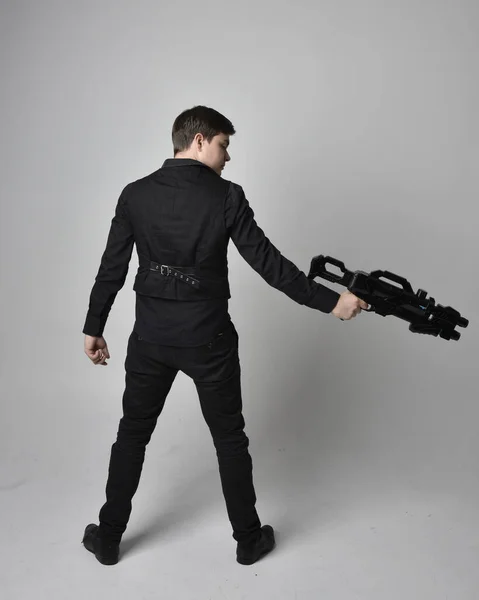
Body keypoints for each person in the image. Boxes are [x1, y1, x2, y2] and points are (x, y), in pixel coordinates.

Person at [81, 105, 368, 566]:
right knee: (230, 438)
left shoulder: (135, 194)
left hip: (150, 340)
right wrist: (332, 302)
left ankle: (109, 537)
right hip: (208, 341)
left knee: (132, 434)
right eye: (223, 145)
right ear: (199, 141)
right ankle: (248, 541)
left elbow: (111, 268)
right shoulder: (227, 196)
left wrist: (94, 327)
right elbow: (270, 265)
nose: (227, 156)